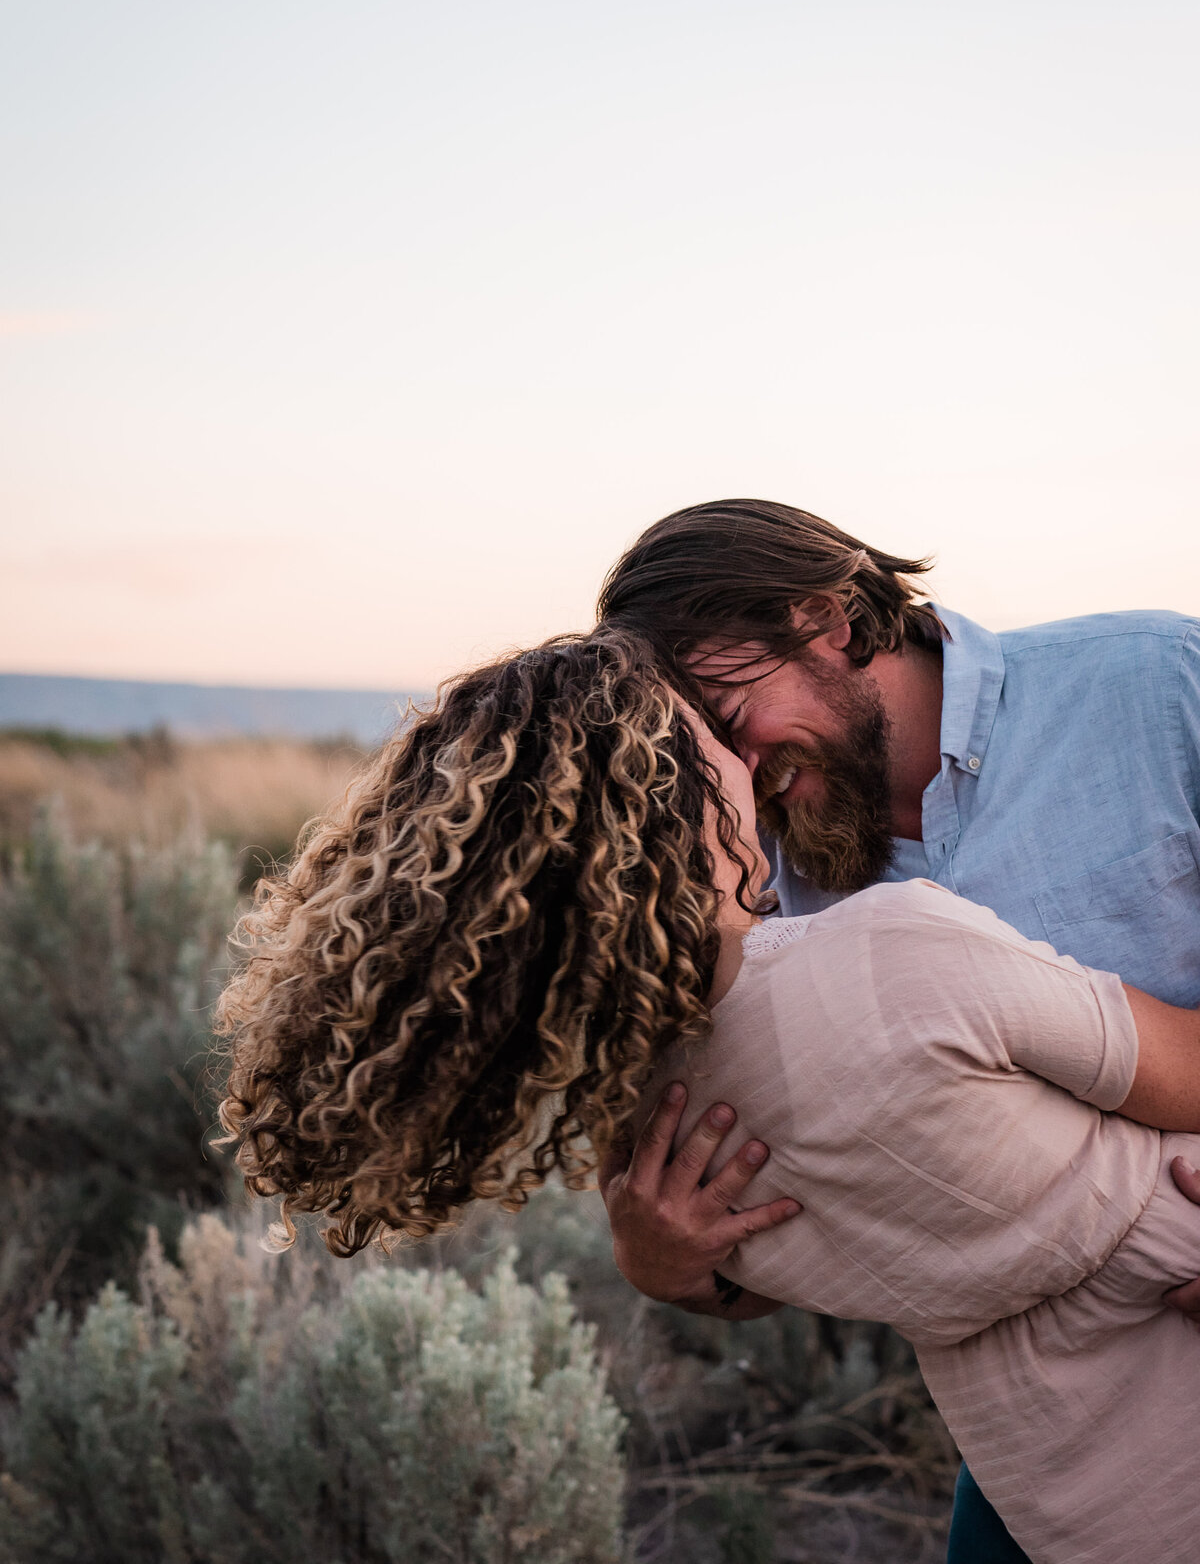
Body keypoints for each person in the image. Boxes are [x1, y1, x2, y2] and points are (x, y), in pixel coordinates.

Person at [217, 631, 1200, 1564]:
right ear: (674, 805)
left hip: (1063, 1494)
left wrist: (664, 1271)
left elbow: (787, 1265)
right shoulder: (901, 952)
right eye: (711, 747)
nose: (748, 771)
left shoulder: (645, 1117)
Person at [595, 497, 1200, 1564]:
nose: (737, 774)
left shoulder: (1157, 685)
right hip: (1046, 1443)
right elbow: (782, 1216)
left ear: (828, 620)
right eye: (696, 754)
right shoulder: (746, 889)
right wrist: (671, 1264)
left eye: (729, 719)